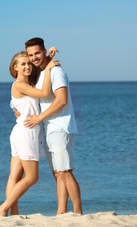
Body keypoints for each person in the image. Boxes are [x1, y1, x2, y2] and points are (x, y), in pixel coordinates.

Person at [22, 37, 83, 215]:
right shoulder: (43, 73)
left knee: (65, 171)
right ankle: (61, 212)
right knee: (58, 173)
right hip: (49, 129)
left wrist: (39, 117)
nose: (34, 58)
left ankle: (78, 213)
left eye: (37, 53)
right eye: (30, 55)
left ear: (44, 51)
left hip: (60, 126)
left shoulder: (55, 71)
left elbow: (62, 100)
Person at [0, 48, 60, 217]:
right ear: (15, 67)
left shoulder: (25, 84)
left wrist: (48, 58)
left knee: (14, 177)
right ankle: (4, 207)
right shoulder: (20, 85)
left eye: (29, 63)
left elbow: (18, 102)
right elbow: (45, 92)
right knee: (32, 177)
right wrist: (50, 68)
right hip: (27, 131)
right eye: (23, 64)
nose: (27, 66)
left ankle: (13, 213)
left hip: (20, 130)